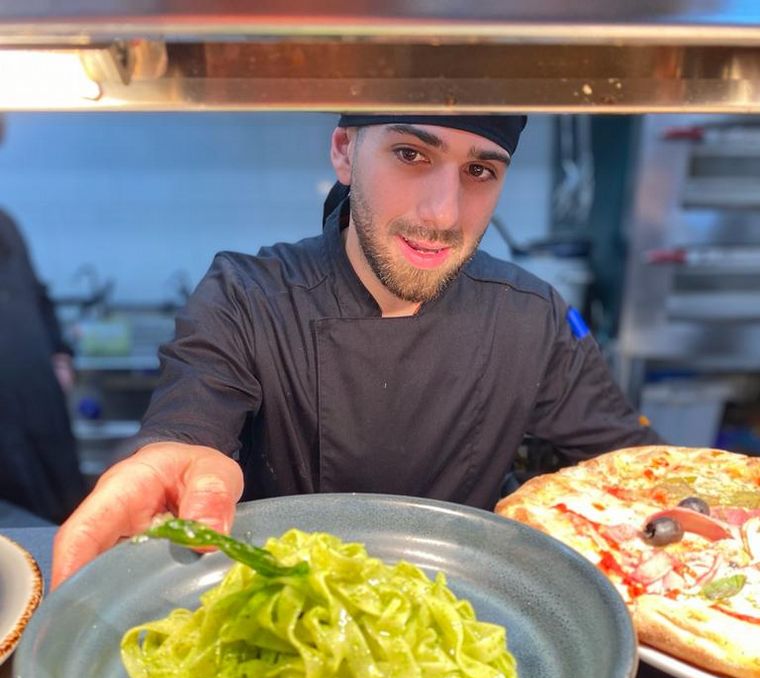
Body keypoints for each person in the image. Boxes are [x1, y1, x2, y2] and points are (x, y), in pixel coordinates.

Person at [51, 113, 657, 587]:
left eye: (480, 171)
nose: (442, 214)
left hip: (474, 632)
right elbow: (188, 429)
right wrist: (170, 461)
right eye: (410, 154)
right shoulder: (247, 296)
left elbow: (639, 481)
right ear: (344, 152)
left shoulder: (534, 316)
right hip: (283, 631)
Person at [0, 187, 86, 524]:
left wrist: (59, 353)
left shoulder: (5, 223)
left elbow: (38, 295)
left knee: (67, 508)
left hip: (38, 394)